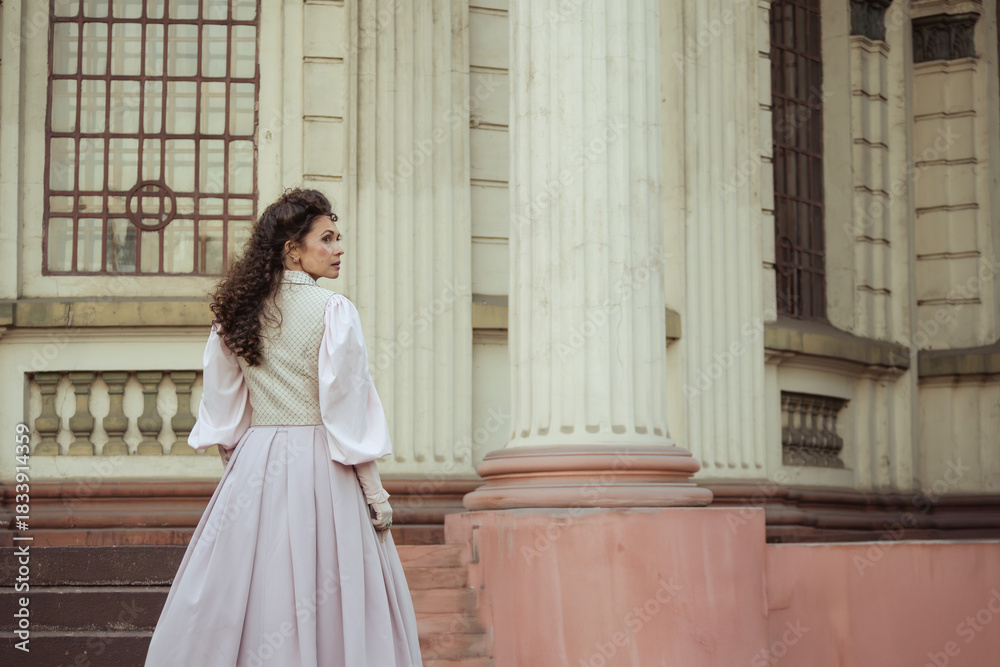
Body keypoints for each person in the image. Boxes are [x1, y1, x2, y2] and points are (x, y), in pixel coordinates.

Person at [144, 188, 422, 666]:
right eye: (327, 239)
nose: (338, 249)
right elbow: (347, 416)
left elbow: (224, 415)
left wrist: (243, 478)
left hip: (254, 465)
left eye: (337, 238)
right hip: (325, 467)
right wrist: (376, 495)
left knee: (254, 588)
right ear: (293, 250)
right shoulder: (333, 311)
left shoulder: (236, 315)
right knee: (330, 585)